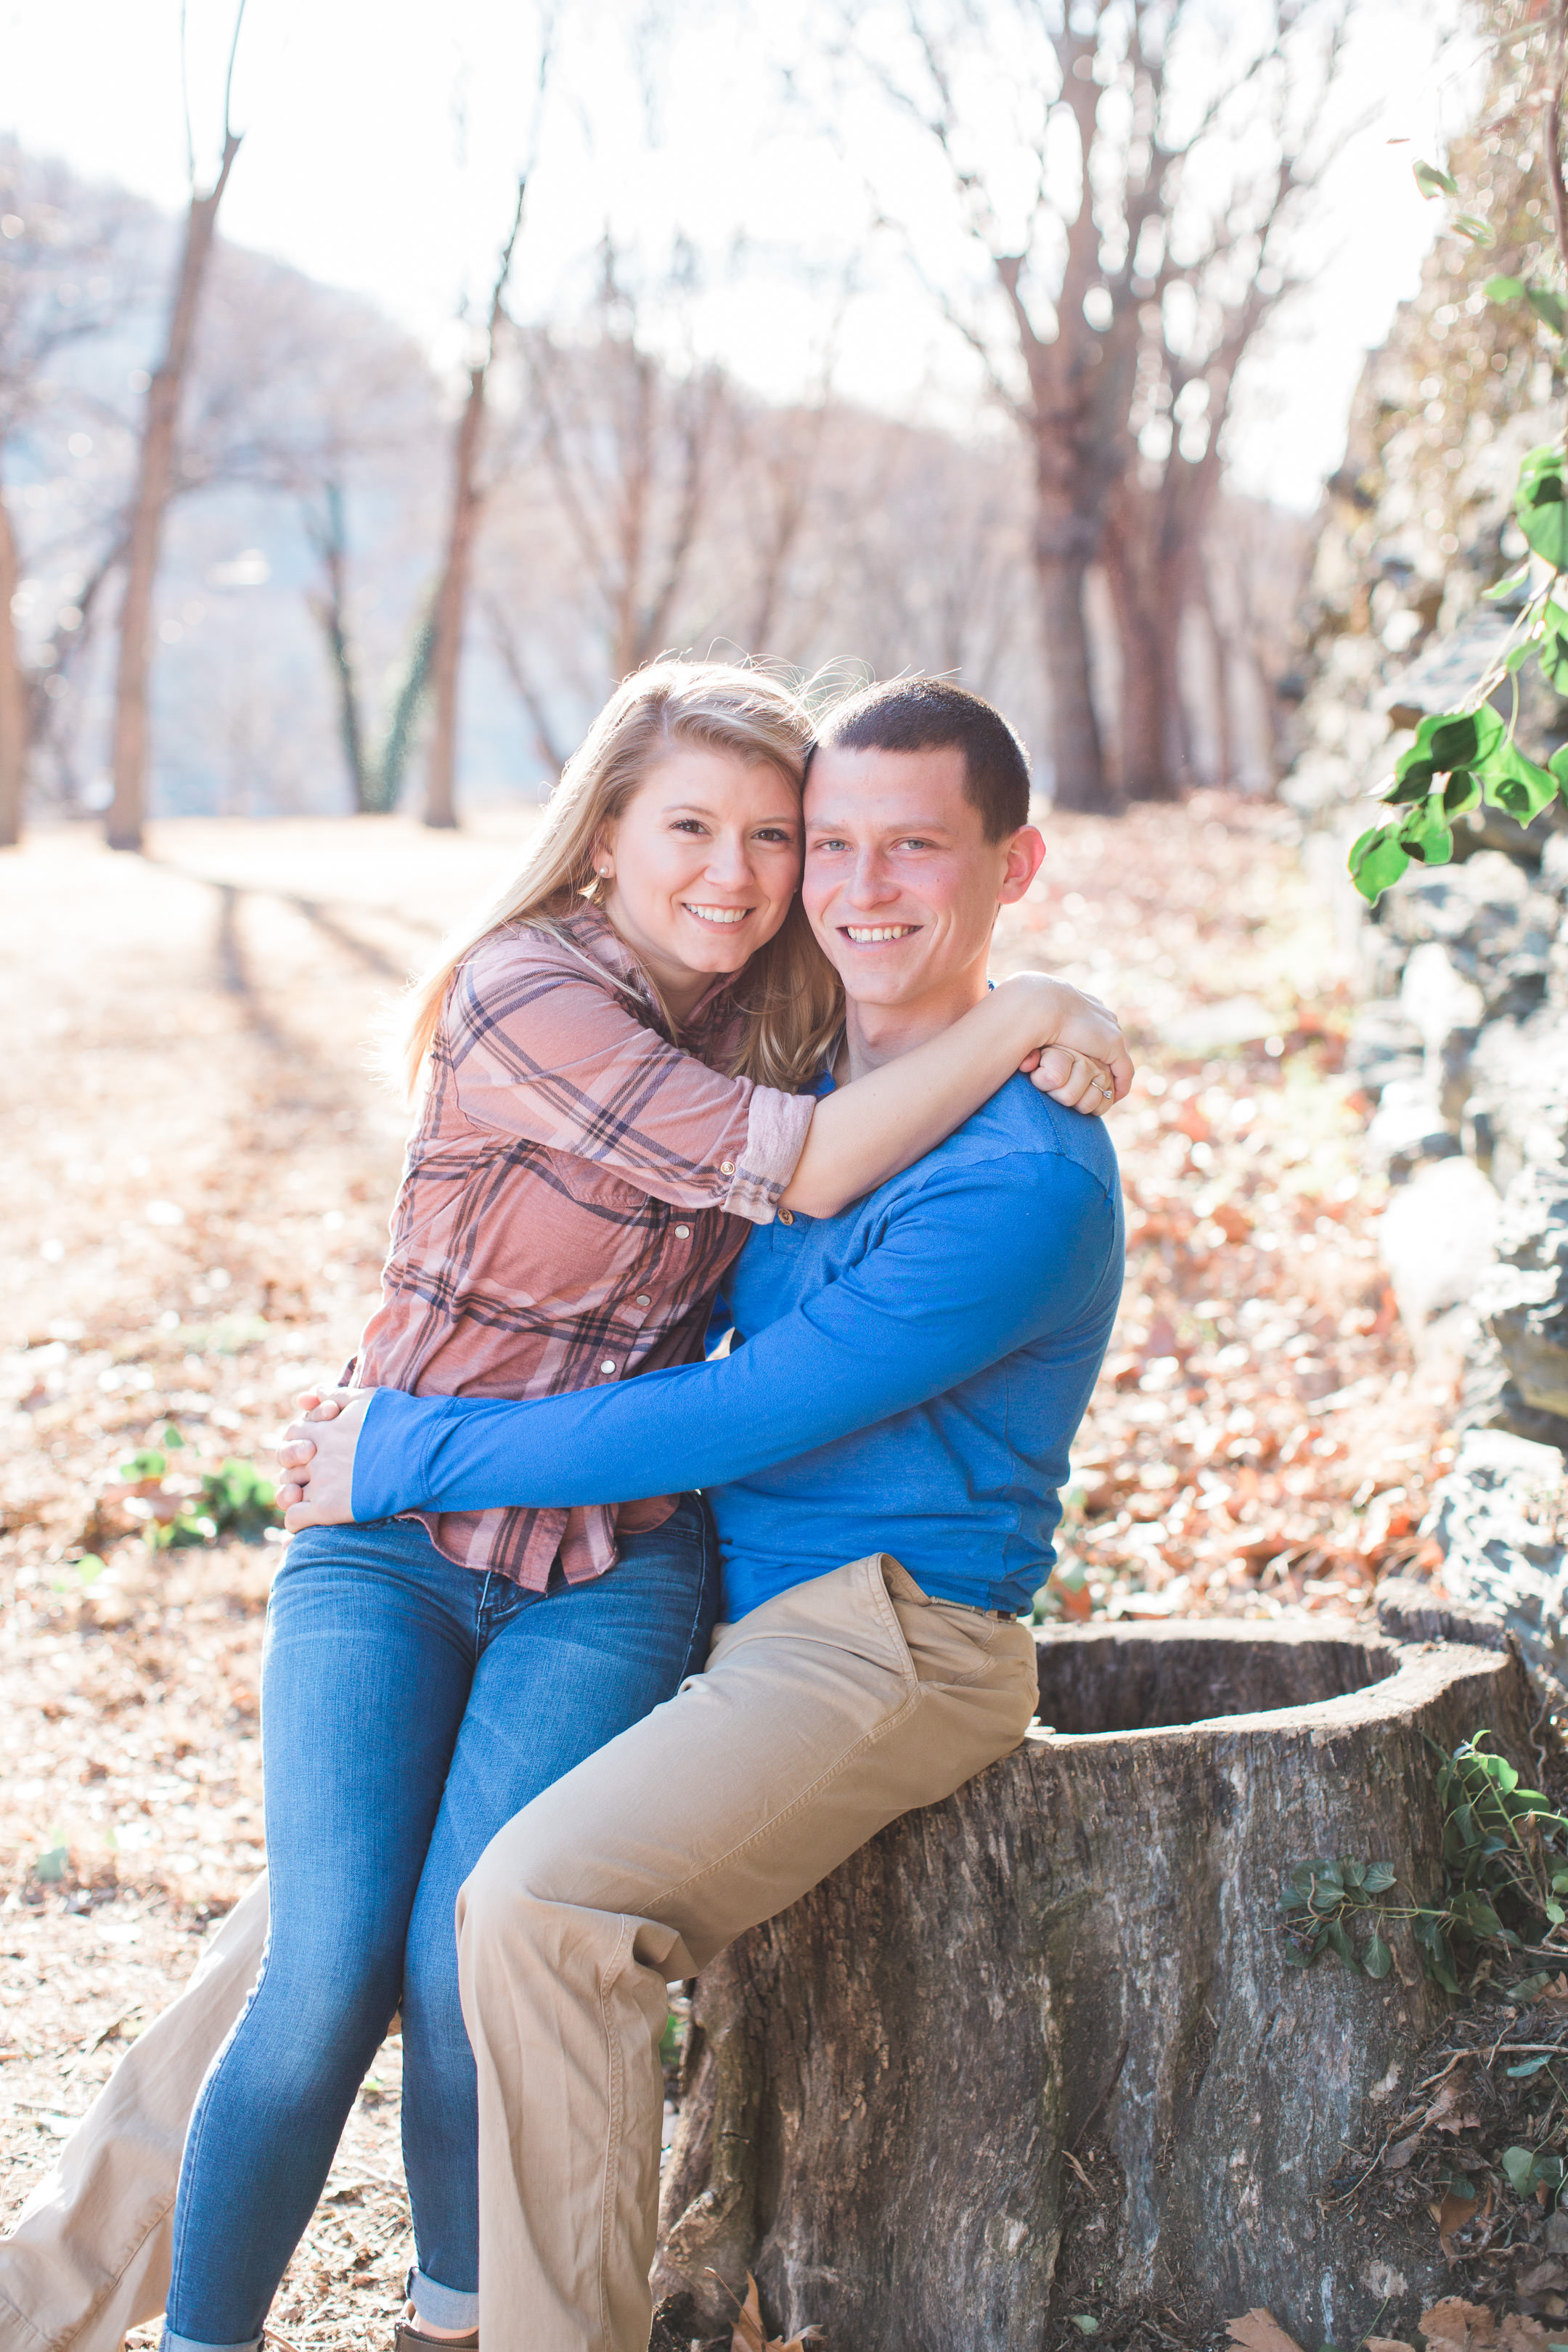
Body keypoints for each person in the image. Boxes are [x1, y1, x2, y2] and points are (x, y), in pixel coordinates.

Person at [0, 664, 1124, 2352]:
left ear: (1008, 868)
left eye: (910, 851)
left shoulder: (1010, 1170)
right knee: (323, 1930)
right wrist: (1033, 1003)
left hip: (863, 1624)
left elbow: (739, 1401)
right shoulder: (774, 1039)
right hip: (643, 1577)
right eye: (832, 845)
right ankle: (55, 2297)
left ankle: (500, 2327)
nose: (842, 885)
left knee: (518, 1914)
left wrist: (406, 1451)